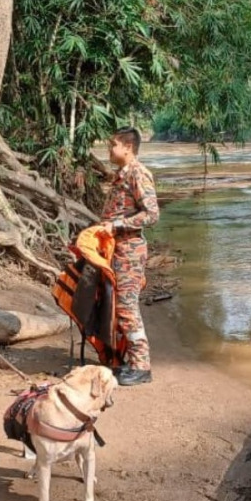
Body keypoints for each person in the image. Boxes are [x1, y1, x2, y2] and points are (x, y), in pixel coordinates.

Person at [100, 126, 159, 386]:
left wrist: (117, 225)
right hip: (116, 250)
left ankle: (141, 366)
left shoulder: (138, 173)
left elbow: (152, 214)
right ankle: (124, 360)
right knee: (116, 307)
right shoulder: (120, 175)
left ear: (128, 147)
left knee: (127, 307)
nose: (109, 150)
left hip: (130, 251)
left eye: (113, 145)